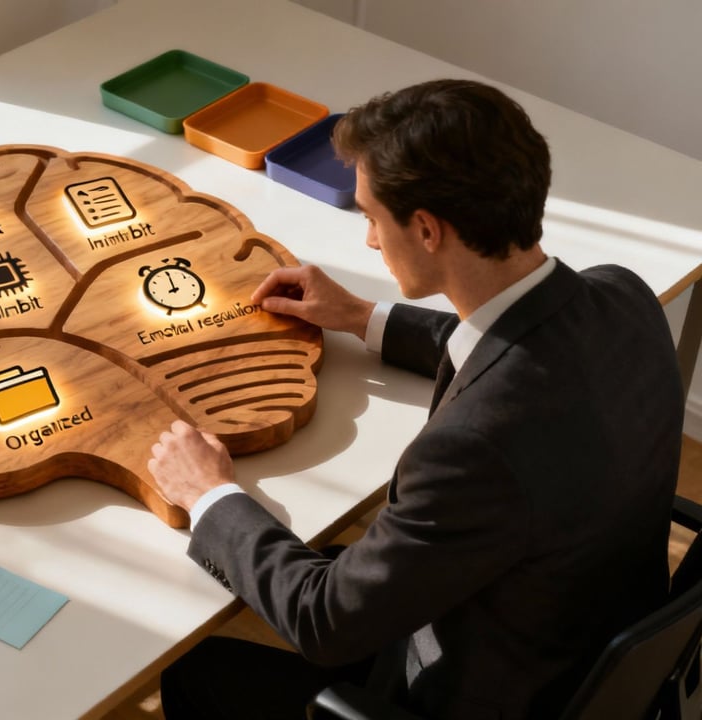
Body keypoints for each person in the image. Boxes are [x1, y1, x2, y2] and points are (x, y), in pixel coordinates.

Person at [147, 78, 684, 719]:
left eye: (373, 217)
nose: (370, 239)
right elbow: (518, 348)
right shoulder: (622, 297)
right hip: (574, 637)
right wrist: (364, 316)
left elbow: (326, 622)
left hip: (477, 690)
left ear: (427, 229)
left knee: (196, 668)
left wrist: (209, 493)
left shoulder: (472, 450)